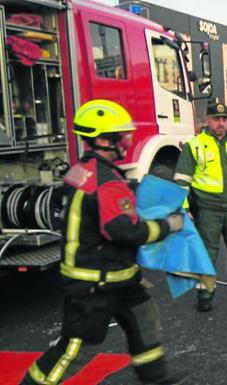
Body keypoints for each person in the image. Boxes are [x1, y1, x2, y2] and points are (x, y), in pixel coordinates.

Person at [21, 100, 186, 385]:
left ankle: (155, 377)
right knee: (76, 349)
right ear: (101, 139)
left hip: (115, 276)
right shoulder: (106, 181)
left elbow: (95, 217)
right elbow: (127, 232)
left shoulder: (80, 170)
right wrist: (169, 225)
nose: (126, 141)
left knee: (143, 317)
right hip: (94, 283)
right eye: (121, 135)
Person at [174, 100, 227, 312]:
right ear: (207, 120)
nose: (221, 123)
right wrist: (184, 209)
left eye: (224, 119)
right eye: (216, 119)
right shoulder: (195, 146)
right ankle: (205, 293)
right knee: (207, 253)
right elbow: (181, 181)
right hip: (208, 210)